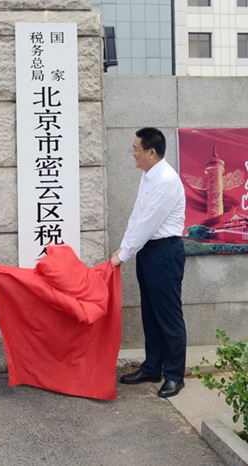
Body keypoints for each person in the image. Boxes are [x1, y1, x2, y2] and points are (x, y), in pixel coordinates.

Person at [111, 127, 186, 399]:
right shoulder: (148, 176)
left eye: (136, 149)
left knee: (169, 316)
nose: (132, 154)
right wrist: (124, 245)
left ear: (151, 152)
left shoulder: (166, 180)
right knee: (151, 314)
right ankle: (152, 367)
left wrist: (123, 255)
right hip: (148, 251)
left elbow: (149, 222)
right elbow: (137, 216)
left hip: (165, 252)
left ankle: (175, 376)